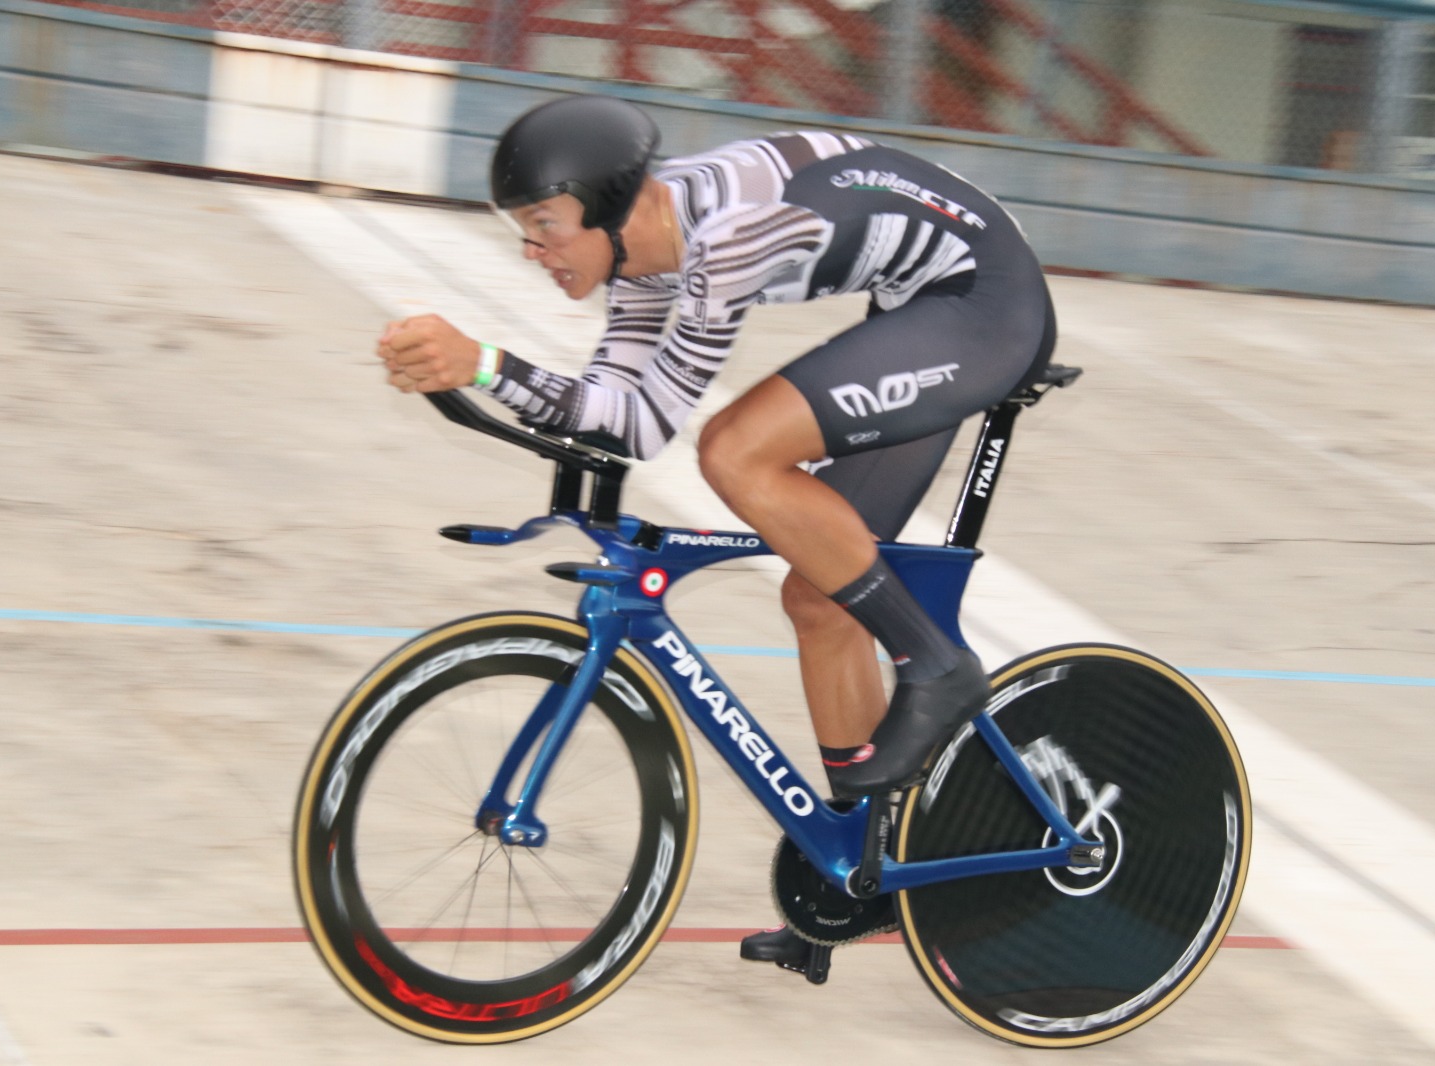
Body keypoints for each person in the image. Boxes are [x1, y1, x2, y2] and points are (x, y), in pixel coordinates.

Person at [377, 93, 1057, 979]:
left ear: (615, 209)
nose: (531, 250)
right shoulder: (645, 255)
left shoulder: (728, 238)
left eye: (546, 226)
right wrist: (481, 375)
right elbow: (617, 420)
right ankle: (859, 875)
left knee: (736, 450)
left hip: (983, 300)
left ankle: (937, 665)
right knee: (819, 594)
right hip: (918, 305)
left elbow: (656, 418)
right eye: (522, 229)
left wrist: (485, 362)